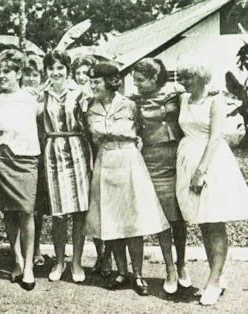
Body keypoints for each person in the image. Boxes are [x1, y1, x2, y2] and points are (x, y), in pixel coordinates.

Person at [84, 62, 170, 296]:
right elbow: (93, 136)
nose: (93, 85)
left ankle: (138, 274)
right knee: (111, 219)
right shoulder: (90, 107)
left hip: (128, 160)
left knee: (132, 219)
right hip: (105, 161)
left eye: (97, 81)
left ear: (111, 82)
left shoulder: (130, 105)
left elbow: (140, 132)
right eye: (91, 81)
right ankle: (122, 272)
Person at [175, 58, 248, 305]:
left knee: (214, 221)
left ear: (202, 78)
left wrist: (201, 171)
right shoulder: (183, 99)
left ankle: (214, 281)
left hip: (211, 163)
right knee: (203, 223)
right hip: (187, 158)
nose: (183, 82)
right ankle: (217, 275)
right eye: (181, 77)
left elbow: (215, 137)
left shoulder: (215, 100)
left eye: (187, 77)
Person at [131, 58, 190, 294]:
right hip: (153, 160)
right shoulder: (135, 101)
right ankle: (169, 268)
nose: (135, 84)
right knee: (163, 216)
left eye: (140, 80)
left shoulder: (177, 91)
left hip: (179, 157)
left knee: (179, 217)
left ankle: (182, 263)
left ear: (155, 77)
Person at [0, 49, 41, 290]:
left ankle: (29, 265)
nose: (2, 76)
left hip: (27, 159)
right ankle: (18, 261)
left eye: (7, 71)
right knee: (9, 212)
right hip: (2, 158)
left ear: (19, 73)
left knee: (26, 212)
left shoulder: (33, 97)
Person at [40, 50, 90, 283]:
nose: (56, 72)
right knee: (58, 213)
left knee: (80, 211)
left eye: (60, 68)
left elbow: (89, 121)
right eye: (52, 68)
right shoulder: (42, 94)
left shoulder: (79, 92)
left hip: (77, 149)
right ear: (46, 71)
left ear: (67, 70)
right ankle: (60, 261)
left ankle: (77, 262)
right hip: (53, 151)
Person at [71, 55, 113, 278]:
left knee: (105, 203)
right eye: (78, 74)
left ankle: (107, 257)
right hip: (78, 153)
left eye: (86, 74)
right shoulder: (72, 97)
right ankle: (100, 253)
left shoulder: (97, 99)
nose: (82, 78)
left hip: (99, 152)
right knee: (91, 206)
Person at [20, 54, 48, 267]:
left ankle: (35, 246)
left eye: (35, 74)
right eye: (27, 74)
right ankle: (20, 249)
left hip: (42, 153)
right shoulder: (15, 96)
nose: (31, 79)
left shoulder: (45, 96)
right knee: (19, 204)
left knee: (36, 204)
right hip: (19, 153)